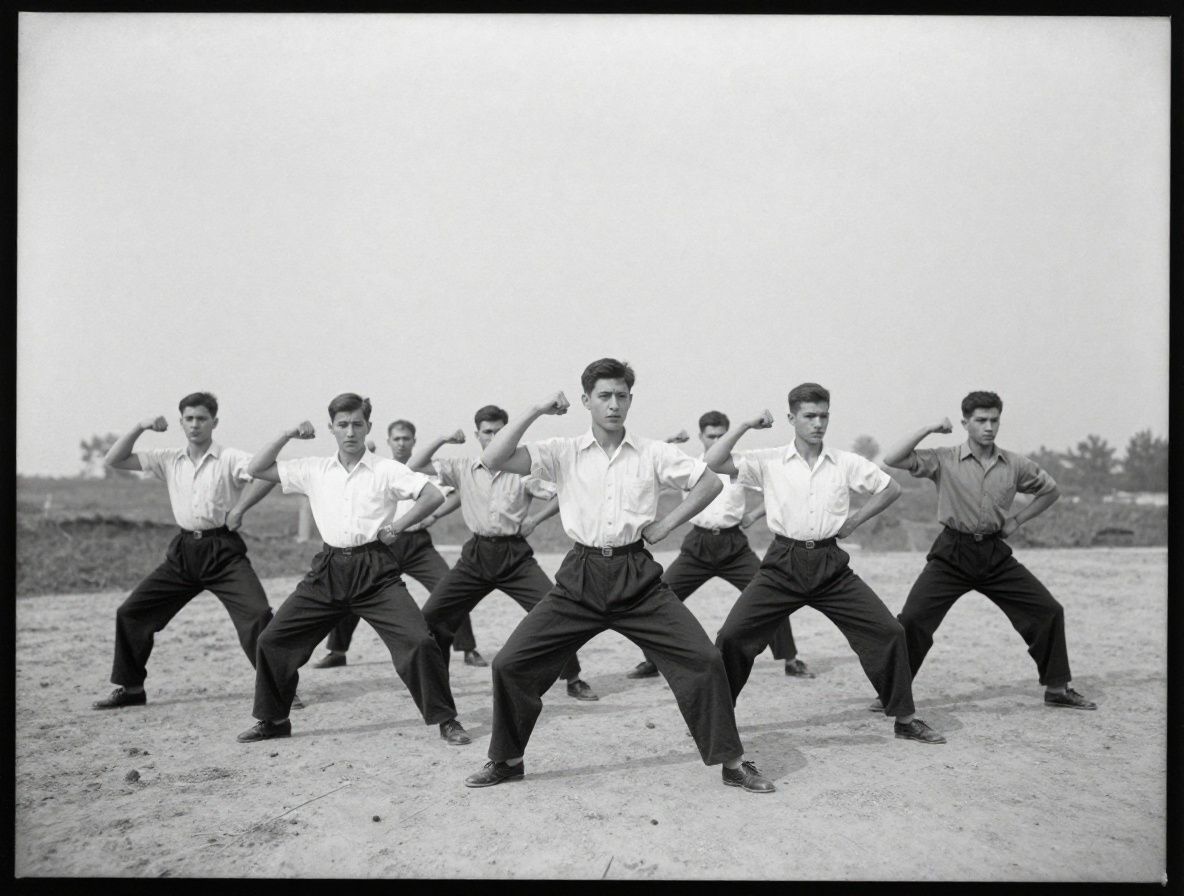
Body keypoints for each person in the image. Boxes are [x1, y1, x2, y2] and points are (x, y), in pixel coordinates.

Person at [462, 358, 775, 793]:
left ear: (631, 399)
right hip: (580, 577)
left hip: (637, 577)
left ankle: (733, 762)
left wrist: (666, 525)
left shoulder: (653, 452)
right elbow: (493, 457)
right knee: (511, 664)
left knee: (703, 661)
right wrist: (536, 409)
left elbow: (709, 483)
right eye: (604, 396)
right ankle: (507, 760)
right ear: (587, 400)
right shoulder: (561, 451)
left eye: (621, 396)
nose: (613, 405)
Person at [707, 383, 946, 745]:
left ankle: (905, 718)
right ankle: (718, 720)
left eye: (824, 415)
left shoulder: (845, 462)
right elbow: (714, 462)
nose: (818, 423)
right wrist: (745, 425)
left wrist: (853, 522)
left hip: (830, 564)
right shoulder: (768, 460)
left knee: (888, 632)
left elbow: (890, 488)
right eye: (809, 416)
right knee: (732, 636)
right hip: (782, 563)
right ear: (791, 418)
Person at [235, 393, 472, 746]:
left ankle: (446, 720)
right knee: (272, 640)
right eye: (342, 425)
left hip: (375, 571)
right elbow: (257, 469)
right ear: (331, 427)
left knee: (419, 641)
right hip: (328, 569)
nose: (350, 432)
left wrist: (400, 525)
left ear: (368, 427)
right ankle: (273, 720)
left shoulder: (386, 469)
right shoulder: (313, 469)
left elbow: (432, 497)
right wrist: (287, 434)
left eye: (357, 424)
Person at [878, 391, 1096, 711]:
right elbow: (893, 458)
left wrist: (1018, 520)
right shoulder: (944, 458)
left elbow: (1050, 490)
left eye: (994, 420)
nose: (988, 427)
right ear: (966, 423)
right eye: (981, 420)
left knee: (1048, 610)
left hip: (994, 554)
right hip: (952, 552)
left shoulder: (1015, 464)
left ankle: (1057, 689)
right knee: (912, 619)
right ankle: (890, 691)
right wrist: (929, 428)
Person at [92, 393, 284, 711]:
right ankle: (131, 688)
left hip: (223, 551)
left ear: (214, 422)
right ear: (181, 422)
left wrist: (240, 508)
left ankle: (278, 686)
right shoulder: (169, 458)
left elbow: (268, 474)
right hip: (183, 553)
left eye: (202, 418)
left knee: (258, 615)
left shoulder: (229, 457)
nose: (195, 424)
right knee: (131, 613)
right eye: (189, 419)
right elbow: (114, 459)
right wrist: (141, 426)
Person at [412, 405, 599, 701]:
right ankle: (437, 685)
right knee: (433, 616)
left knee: (555, 614)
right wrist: (443, 437)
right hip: (476, 556)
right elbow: (416, 464)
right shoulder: (463, 468)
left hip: (515, 557)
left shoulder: (523, 472)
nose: (494, 436)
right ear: (477, 435)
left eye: (499, 431)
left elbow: (564, 492)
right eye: (487, 432)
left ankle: (573, 678)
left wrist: (535, 520)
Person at [625, 413, 814, 681]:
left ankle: (790, 659)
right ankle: (653, 661)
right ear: (701, 437)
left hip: (734, 545)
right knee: (657, 597)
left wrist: (753, 516)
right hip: (697, 545)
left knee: (773, 595)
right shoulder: (688, 465)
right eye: (710, 436)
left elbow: (779, 490)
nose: (715, 440)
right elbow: (648, 465)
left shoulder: (739, 467)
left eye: (720, 436)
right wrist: (668, 441)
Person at [309, 419, 486, 670]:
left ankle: (468, 648)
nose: (401, 443)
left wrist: (435, 515)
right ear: (388, 442)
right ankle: (337, 651)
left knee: (448, 586)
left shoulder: (427, 470)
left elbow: (460, 490)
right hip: (381, 546)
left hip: (417, 545)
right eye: (397, 439)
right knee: (353, 589)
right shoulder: (377, 468)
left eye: (406, 439)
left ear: (414, 441)